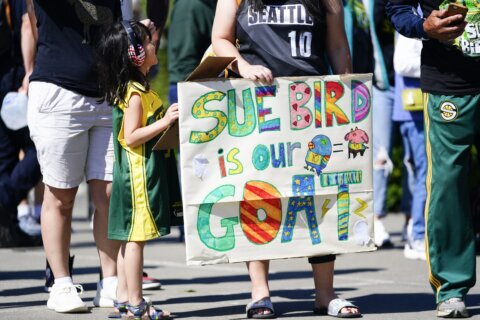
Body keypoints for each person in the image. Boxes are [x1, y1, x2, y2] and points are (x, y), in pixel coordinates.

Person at [212, 0, 361, 318]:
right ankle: (260, 293)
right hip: (258, 105)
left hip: (313, 106)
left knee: (319, 194)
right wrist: (244, 66)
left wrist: (347, 93)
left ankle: (325, 294)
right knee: (257, 194)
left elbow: (336, 44)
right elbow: (220, 38)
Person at [26, 0, 122, 313]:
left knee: (110, 193)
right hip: (58, 93)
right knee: (62, 195)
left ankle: (110, 282)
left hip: (107, 94)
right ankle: (61, 283)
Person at [386, 0, 479, 318]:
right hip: (449, 85)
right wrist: (424, 27)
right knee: (447, 184)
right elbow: (397, 10)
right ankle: (451, 288)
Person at [96, 20, 179, 319]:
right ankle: (137, 304)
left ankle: (123, 300)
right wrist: (165, 121)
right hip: (137, 174)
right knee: (135, 241)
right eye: (148, 42)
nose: (154, 44)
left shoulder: (137, 86)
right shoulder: (133, 93)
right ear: (137, 54)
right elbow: (131, 136)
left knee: (128, 239)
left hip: (140, 171)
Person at [0, 0, 42, 247]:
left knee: (5, 155)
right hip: (16, 75)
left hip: (4, 73)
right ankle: (5, 203)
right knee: (40, 144)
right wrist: (30, 72)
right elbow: (28, 24)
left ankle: (7, 226)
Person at [364, 0, 397, 248]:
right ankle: (371, 217)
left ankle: (380, 218)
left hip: (396, 81)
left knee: (386, 155)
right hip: (367, 83)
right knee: (373, 155)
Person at [392, 31, 426, 260]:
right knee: (424, 174)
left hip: (419, 110)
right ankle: (418, 235)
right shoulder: (412, 21)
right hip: (414, 111)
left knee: (420, 176)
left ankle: (418, 233)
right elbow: (402, 64)